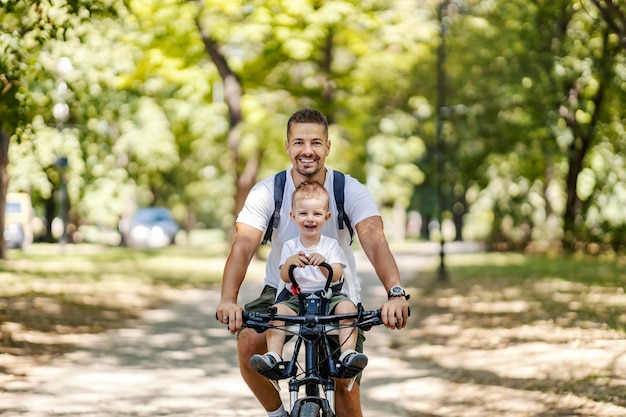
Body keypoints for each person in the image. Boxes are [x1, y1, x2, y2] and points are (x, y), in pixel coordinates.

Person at [216, 108, 410, 417]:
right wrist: (228, 300)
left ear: (328, 147)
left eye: (316, 143)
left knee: (345, 387)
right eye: (299, 142)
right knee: (249, 342)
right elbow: (242, 245)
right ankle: (277, 413)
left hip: (337, 293)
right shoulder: (269, 191)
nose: (308, 151)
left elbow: (374, 238)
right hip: (283, 289)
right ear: (287, 146)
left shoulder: (348, 189)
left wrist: (395, 293)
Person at [250, 181, 368, 375]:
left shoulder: (330, 245)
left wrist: (324, 265)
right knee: (276, 311)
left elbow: (338, 274)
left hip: (329, 296)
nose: (310, 219)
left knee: (348, 308)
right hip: (299, 298)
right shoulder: (290, 246)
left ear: (327, 217)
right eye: (303, 213)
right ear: (293, 216)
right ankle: (274, 356)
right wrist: (290, 263)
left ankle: (347, 354)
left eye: (317, 214)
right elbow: (284, 278)